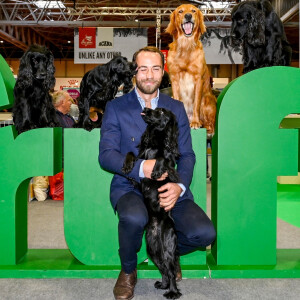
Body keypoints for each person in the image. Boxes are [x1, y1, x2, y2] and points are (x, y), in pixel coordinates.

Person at [99, 46, 216, 300]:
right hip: (130, 185)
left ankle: (169, 255)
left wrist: (179, 187)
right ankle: (128, 271)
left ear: (163, 73)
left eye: (155, 68)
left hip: (166, 185)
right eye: (143, 69)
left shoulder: (176, 107)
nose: (149, 75)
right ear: (135, 72)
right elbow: (106, 156)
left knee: (205, 233)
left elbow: (188, 155)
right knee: (133, 218)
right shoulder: (116, 107)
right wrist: (143, 167)